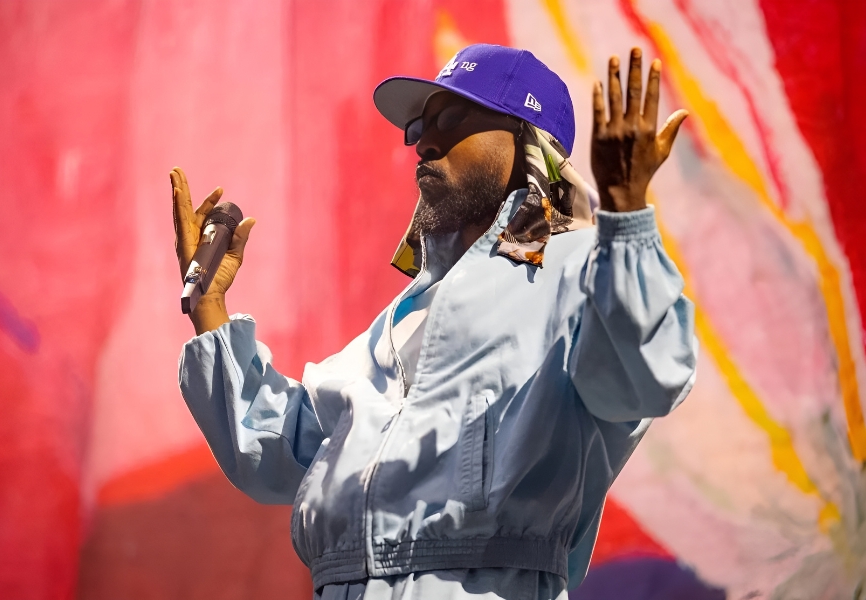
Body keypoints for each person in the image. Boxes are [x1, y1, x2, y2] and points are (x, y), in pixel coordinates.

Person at [172, 44, 697, 599]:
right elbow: (284, 450)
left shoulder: (585, 270)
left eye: (450, 119)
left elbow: (644, 376)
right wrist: (209, 304)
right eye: (420, 127)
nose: (422, 143)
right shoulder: (399, 320)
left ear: (528, 141)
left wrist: (625, 213)